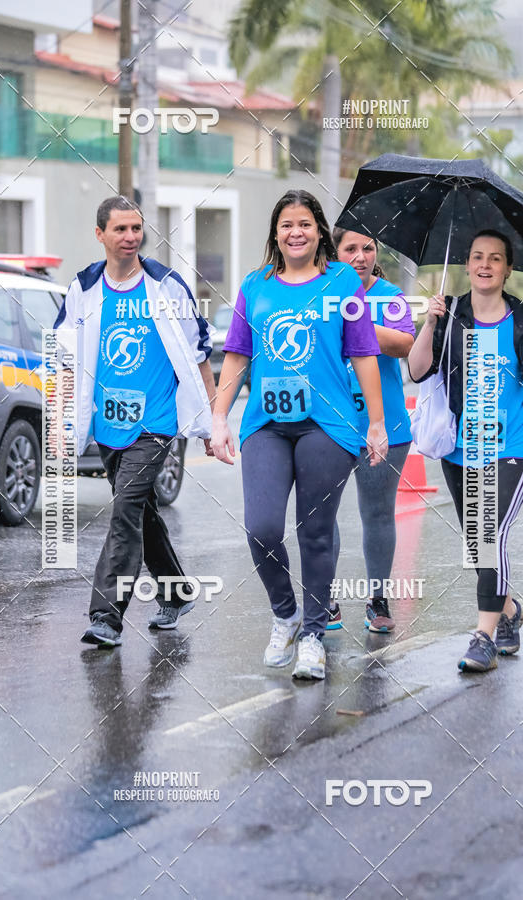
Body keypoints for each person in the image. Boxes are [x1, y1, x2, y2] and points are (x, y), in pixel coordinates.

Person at [211, 189, 387, 681]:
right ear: (275, 232)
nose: (296, 232)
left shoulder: (342, 282)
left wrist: (375, 421)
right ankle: (285, 614)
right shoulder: (255, 285)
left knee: (314, 532)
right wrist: (220, 417)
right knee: (262, 527)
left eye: (305, 224)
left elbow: (364, 353)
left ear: (319, 232)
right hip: (265, 423)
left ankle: (313, 635)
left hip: (327, 426)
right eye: (287, 224)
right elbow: (237, 357)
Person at [54, 195, 215, 647]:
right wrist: (62, 421)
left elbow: (198, 351)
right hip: (107, 422)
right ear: (100, 233)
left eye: (136, 229)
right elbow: (64, 357)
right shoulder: (84, 287)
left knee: (124, 508)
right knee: (140, 512)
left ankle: (106, 616)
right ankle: (177, 591)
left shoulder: (166, 286)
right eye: (120, 229)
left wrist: (211, 420)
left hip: (155, 421)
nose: (130, 237)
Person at [408, 229, 523, 672]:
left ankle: (482, 635)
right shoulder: (451, 316)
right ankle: (511, 612)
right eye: (477, 257)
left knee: (489, 535)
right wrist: (430, 322)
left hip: (515, 446)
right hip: (462, 450)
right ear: (467, 265)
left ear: (507, 268)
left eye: (494, 258)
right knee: (480, 546)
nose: (485, 264)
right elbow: (418, 370)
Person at [329, 228, 415, 633]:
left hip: (386, 427)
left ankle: (378, 600)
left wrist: (356, 321)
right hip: (327, 424)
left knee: (378, 514)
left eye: (368, 248)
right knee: (320, 515)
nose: (361, 255)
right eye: (351, 248)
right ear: (334, 252)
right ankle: (322, 597)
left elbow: (405, 344)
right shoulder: (319, 292)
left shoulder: (390, 296)